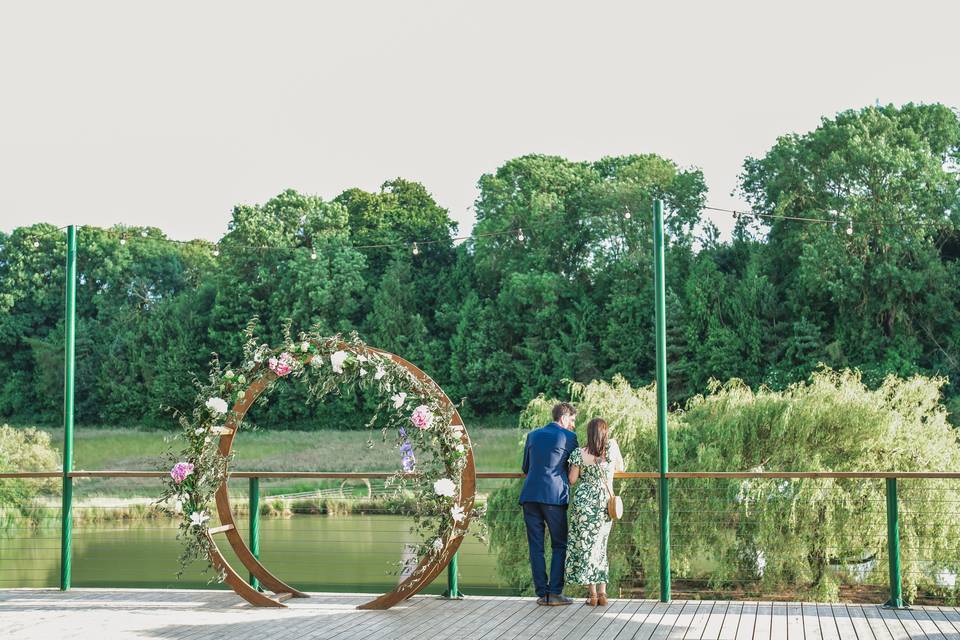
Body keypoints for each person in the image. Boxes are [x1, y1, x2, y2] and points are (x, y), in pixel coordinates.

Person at [519, 402, 579, 606]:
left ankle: (541, 594)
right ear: (563, 418)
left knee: (536, 546)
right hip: (554, 497)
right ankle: (554, 593)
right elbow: (574, 471)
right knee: (559, 544)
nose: (573, 425)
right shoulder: (569, 438)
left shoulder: (533, 435)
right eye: (572, 420)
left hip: (529, 495)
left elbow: (525, 467)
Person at [565, 417, 624, 606]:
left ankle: (592, 595)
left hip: (583, 504)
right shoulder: (612, 448)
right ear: (605, 433)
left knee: (586, 548)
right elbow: (620, 469)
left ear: (589, 434)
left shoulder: (578, 453)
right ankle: (603, 593)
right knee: (601, 547)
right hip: (604, 504)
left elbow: (572, 480)